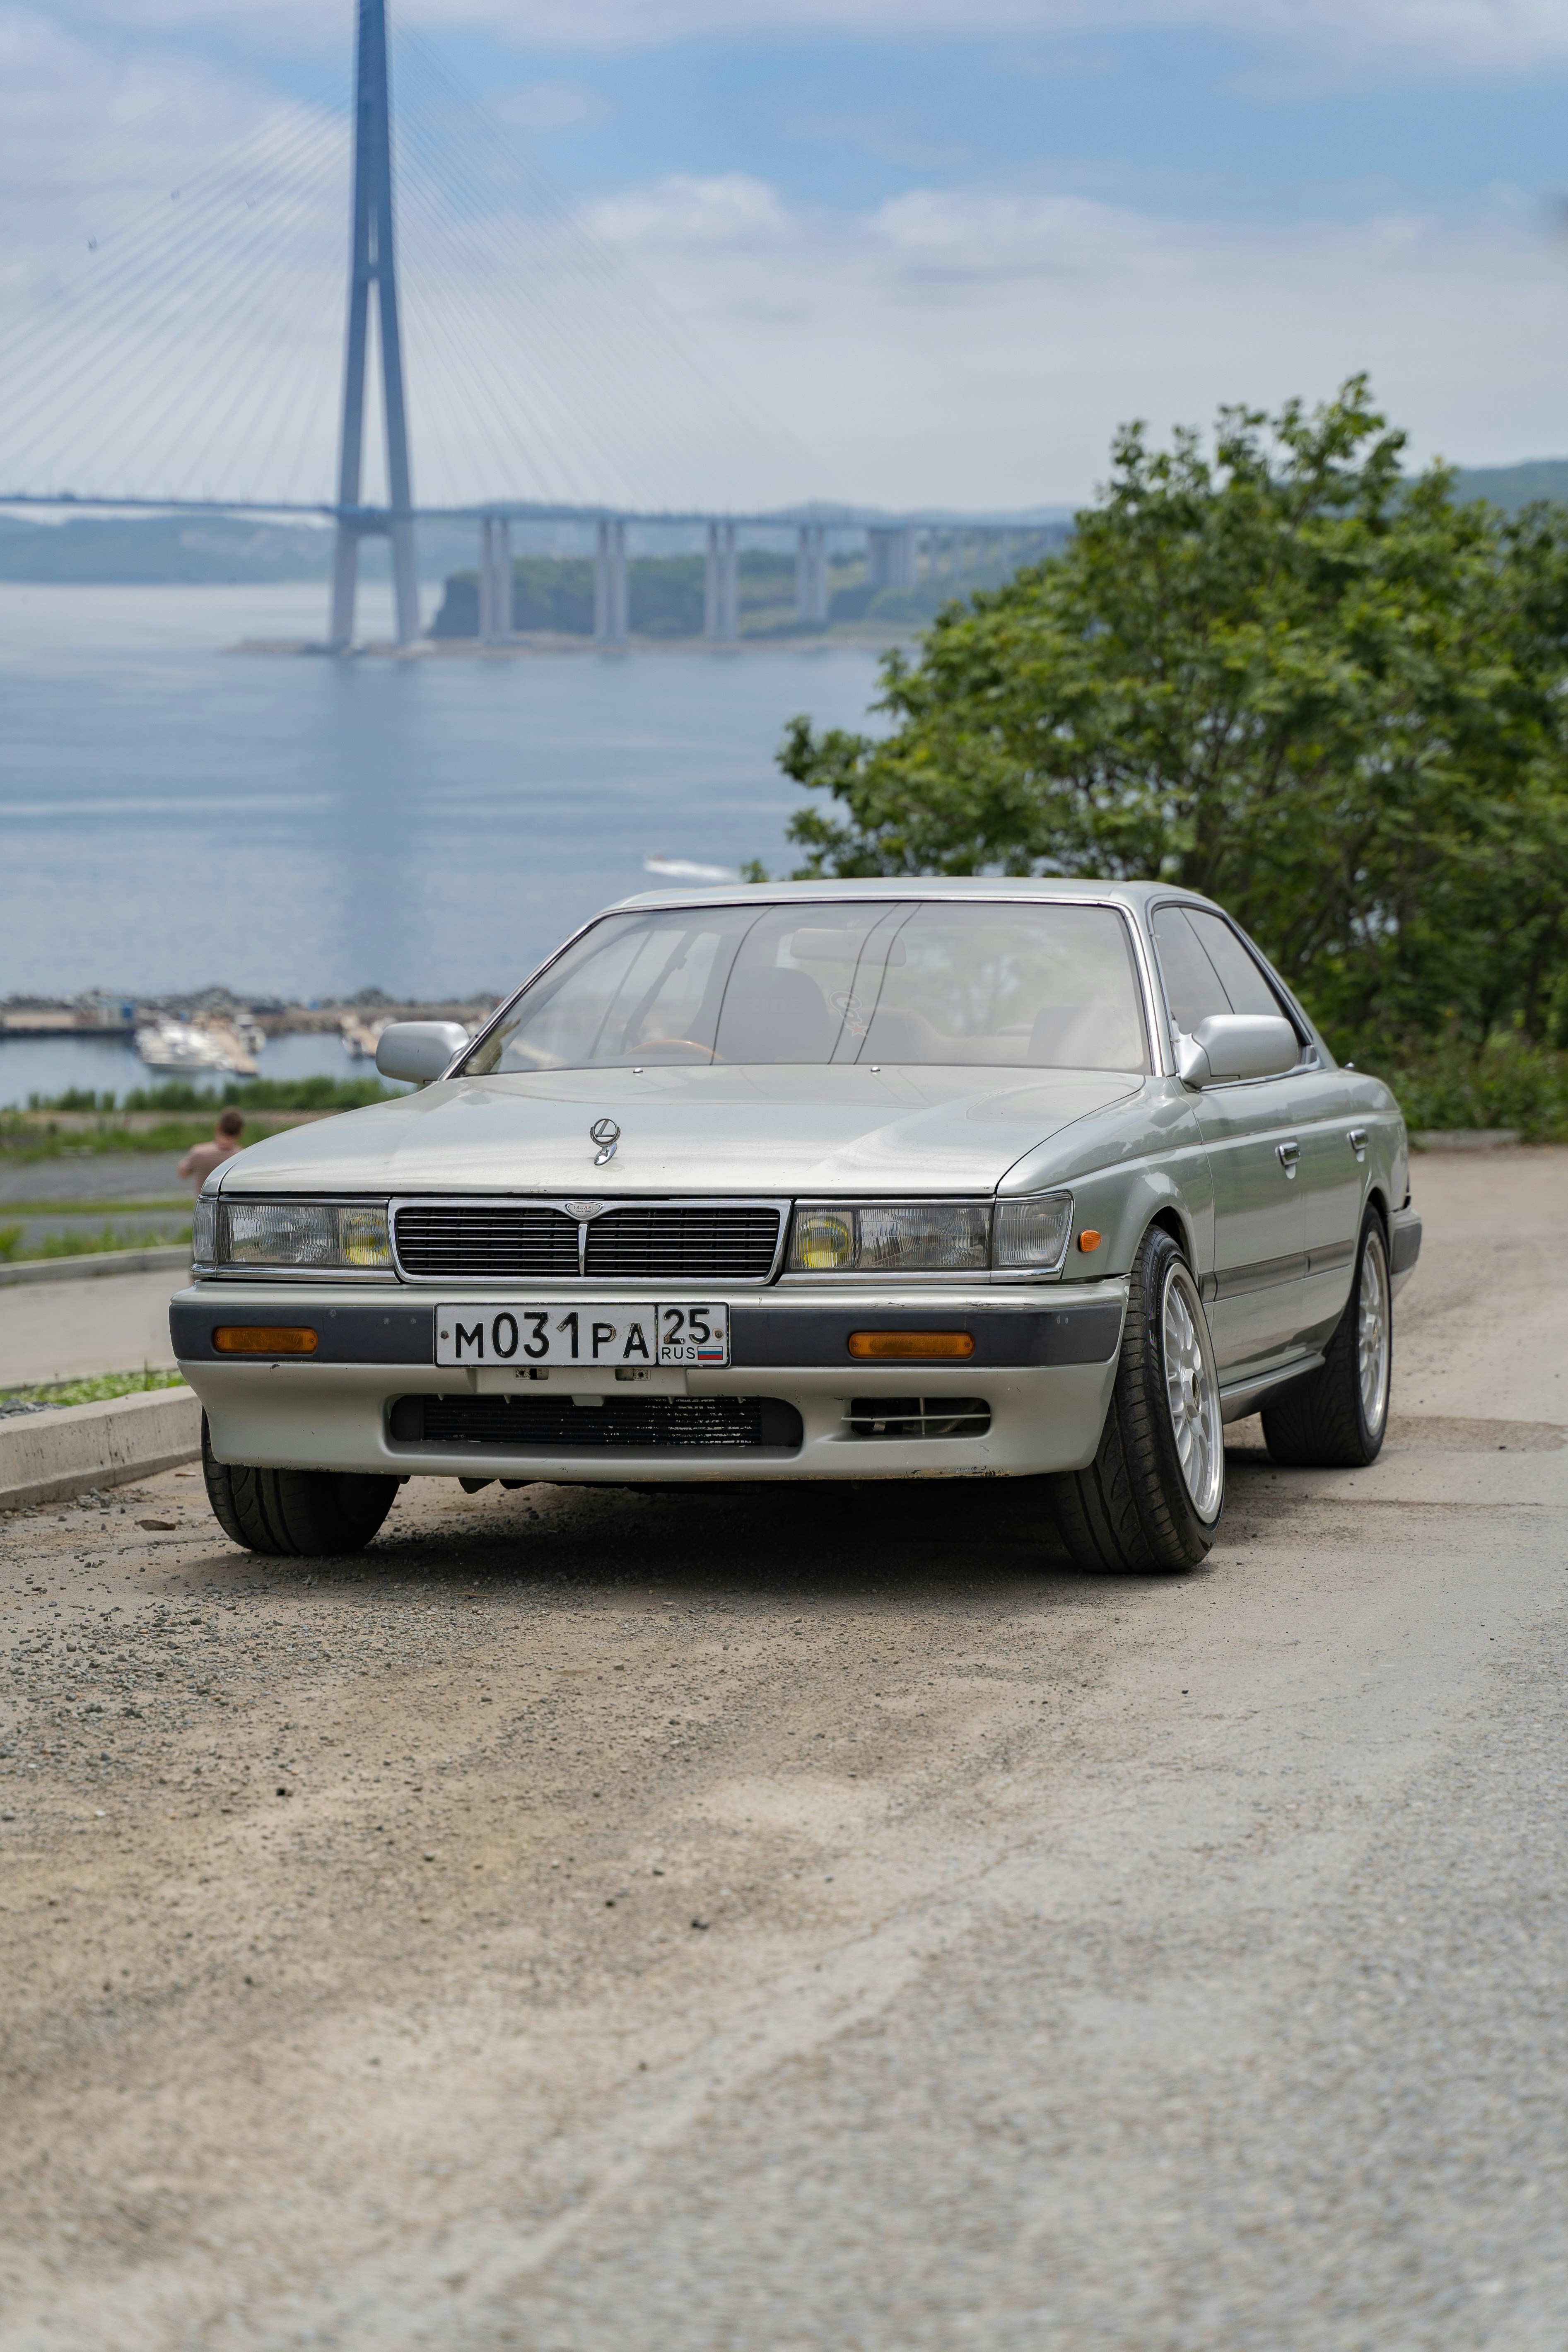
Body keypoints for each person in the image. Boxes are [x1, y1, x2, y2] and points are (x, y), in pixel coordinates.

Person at [178, 1107, 245, 1192]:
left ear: (218, 1128)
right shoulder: (242, 1157)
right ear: (241, 1132)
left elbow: (183, 1174)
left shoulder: (199, 1152)